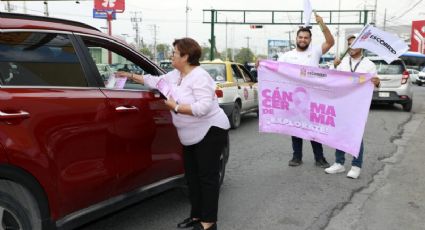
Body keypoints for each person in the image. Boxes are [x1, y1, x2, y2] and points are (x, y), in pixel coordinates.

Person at [118, 38, 230, 230]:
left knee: (208, 178)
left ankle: (209, 222)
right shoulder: (176, 74)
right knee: (192, 178)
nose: (171, 55)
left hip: (210, 131)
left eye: (175, 53)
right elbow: (156, 81)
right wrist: (129, 76)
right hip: (190, 134)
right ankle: (196, 216)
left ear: (185, 57)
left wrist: (176, 107)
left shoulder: (200, 76)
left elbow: (203, 107)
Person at [277, 13, 335, 168]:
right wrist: (260, 64)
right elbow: (273, 70)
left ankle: (320, 158)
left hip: (314, 98)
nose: (303, 40)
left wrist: (322, 24)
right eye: (300, 37)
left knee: (314, 129)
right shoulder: (286, 56)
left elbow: (330, 42)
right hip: (293, 98)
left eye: (306, 38)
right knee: (296, 129)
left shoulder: (315, 52)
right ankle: (297, 157)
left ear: (310, 40)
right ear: (296, 39)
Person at [324, 34, 380, 179]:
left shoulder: (369, 65)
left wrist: (377, 82)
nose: (351, 47)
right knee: (339, 132)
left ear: (362, 46)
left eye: (354, 44)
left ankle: (356, 165)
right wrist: (334, 65)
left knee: (356, 134)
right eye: (349, 44)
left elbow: (375, 85)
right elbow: (331, 78)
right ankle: (339, 163)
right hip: (341, 102)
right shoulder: (342, 62)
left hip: (358, 105)